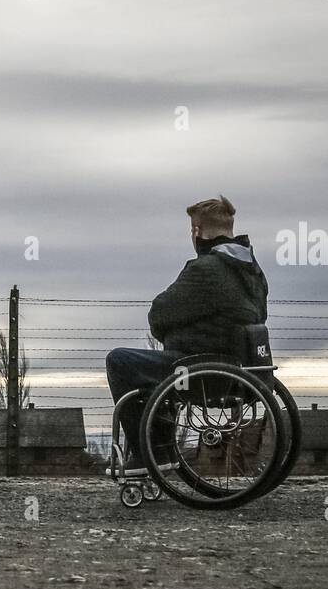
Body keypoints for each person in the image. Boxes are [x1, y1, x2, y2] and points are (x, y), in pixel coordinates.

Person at [106, 196, 269, 472]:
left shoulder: (205, 269)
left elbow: (159, 314)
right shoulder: (254, 272)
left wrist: (172, 332)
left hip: (198, 373)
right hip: (241, 371)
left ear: (196, 231)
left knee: (120, 361)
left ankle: (152, 455)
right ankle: (161, 452)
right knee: (153, 369)